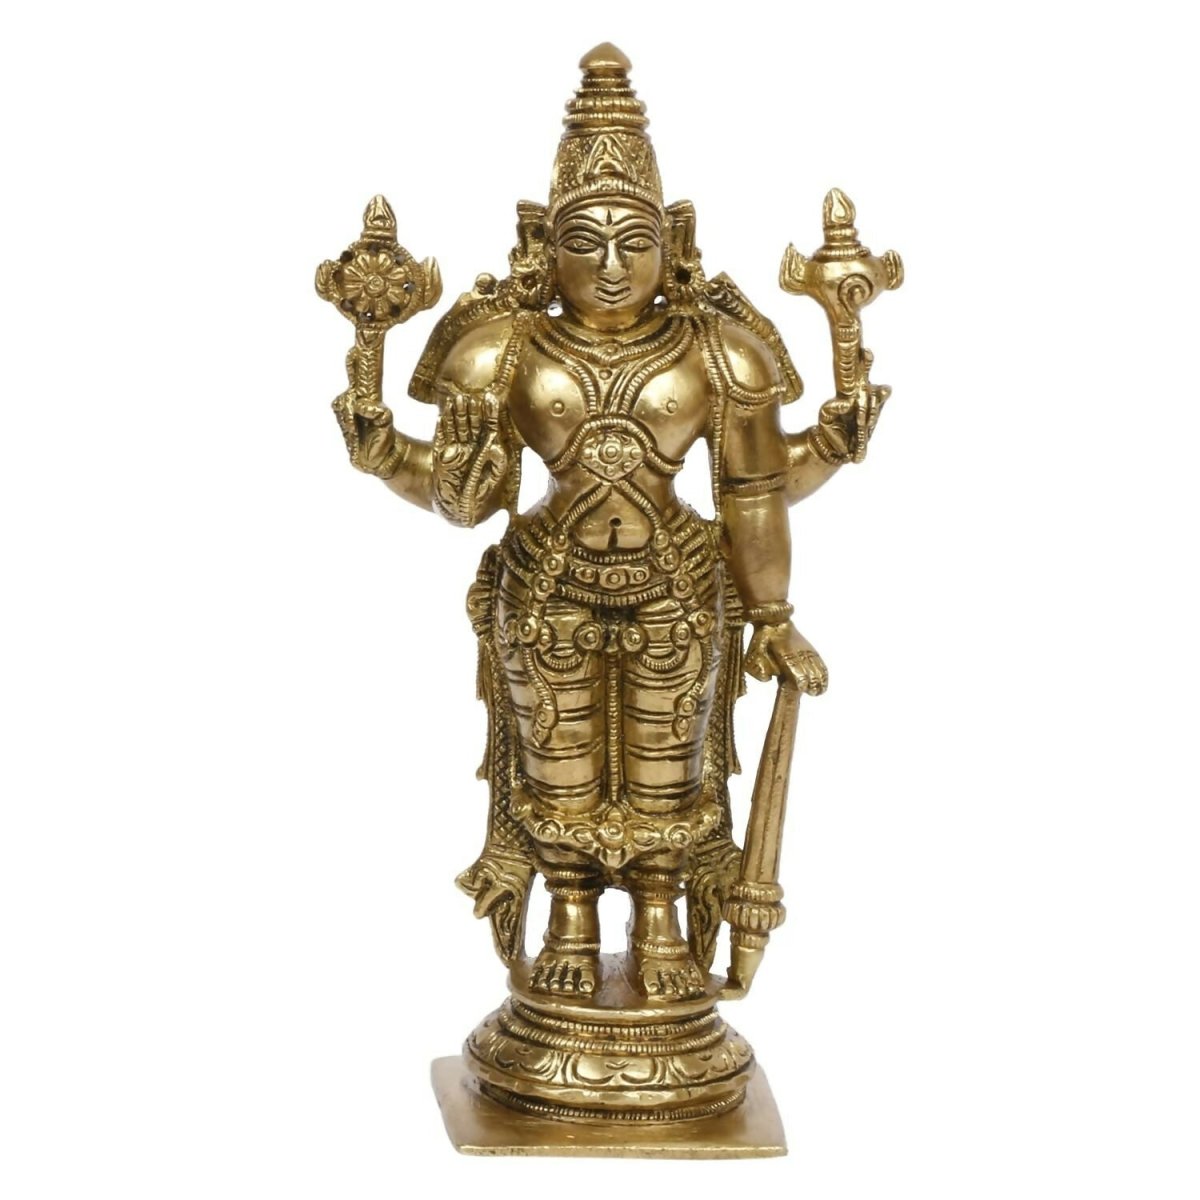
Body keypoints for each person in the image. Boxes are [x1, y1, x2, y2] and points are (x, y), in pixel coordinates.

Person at [334, 44, 880, 1001]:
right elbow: (466, 496)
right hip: (548, 589)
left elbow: (755, 490)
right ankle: (572, 918)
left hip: (677, 587)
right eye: (585, 241)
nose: (615, 266)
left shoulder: (720, 352)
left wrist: (777, 600)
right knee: (559, 757)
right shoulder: (504, 352)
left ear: (676, 236)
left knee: (672, 760)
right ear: (541, 239)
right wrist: (389, 456)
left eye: (637, 241)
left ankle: (662, 922)